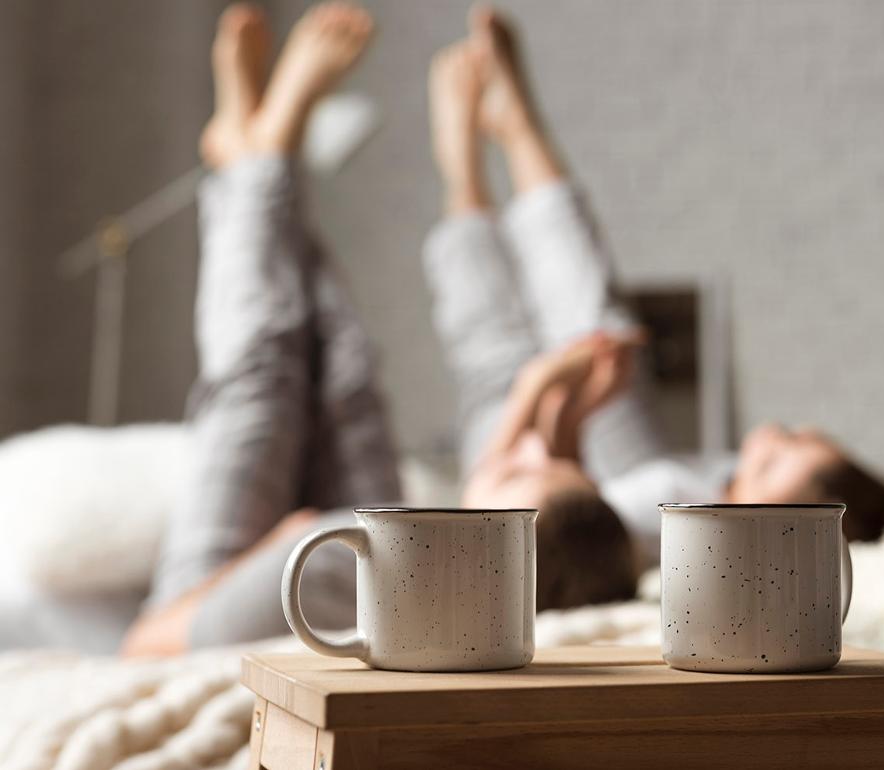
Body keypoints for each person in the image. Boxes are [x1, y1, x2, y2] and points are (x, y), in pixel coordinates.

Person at [421, 7, 884, 570]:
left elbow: (527, 503)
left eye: (766, 462)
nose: (761, 439)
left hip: (531, 470)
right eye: (789, 433)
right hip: (607, 461)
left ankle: (464, 167)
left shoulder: (677, 530)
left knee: (498, 354)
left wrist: (546, 392)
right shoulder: (741, 497)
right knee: (589, 322)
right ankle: (518, 129)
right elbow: (872, 520)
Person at [122, 2, 634, 656]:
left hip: (217, 579)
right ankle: (254, 164)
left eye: (522, 475)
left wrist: (278, 550)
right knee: (346, 368)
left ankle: (258, 159)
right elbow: (497, 487)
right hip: (346, 542)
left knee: (261, 380)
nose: (531, 450)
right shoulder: (454, 557)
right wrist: (537, 396)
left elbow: (140, 648)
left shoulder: (349, 570)